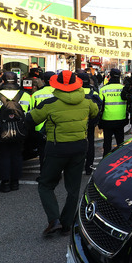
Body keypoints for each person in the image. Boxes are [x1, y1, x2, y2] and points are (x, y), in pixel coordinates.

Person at [26, 70, 99, 236]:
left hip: (57, 149)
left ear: (56, 85)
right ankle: (66, 224)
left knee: (46, 184)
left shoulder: (50, 103)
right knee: (73, 189)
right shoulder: (87, 101)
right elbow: (95, 113)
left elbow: (31, 119)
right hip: (80, 148)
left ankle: (54, 220)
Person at [0, 71, 32, 193]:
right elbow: (29, 113)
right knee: (17, 155)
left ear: (2, 81)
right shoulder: (25, 95)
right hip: (19, 130)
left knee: (4, 156)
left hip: (1, 131)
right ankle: (15, 182)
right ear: (16, 81)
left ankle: (5, 183)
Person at [76, 69, 103, 175]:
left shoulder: (75, 92)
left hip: (78, 123)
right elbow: (99, 108)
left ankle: (78, 166)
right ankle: (89, 167)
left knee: (78, 144)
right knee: (90, 144)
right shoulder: (94, 92)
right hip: (90, 123)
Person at [31, 71, 56, 174]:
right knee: (55, 152)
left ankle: (43, 173)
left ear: (43, 81)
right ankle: (55, 174)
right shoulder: (60, 93)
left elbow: (32, 112)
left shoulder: (36, 94)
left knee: (43, 152)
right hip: (56, 127)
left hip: (40, 128)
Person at [98, 68, 128, 157]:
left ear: (109, 76)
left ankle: (106, 161)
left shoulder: (103, 89)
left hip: (107, 120)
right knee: (120, 144)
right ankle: (120, 160)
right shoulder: (123, 88)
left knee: (107, 143)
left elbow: (100, 106)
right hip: (121, 119)